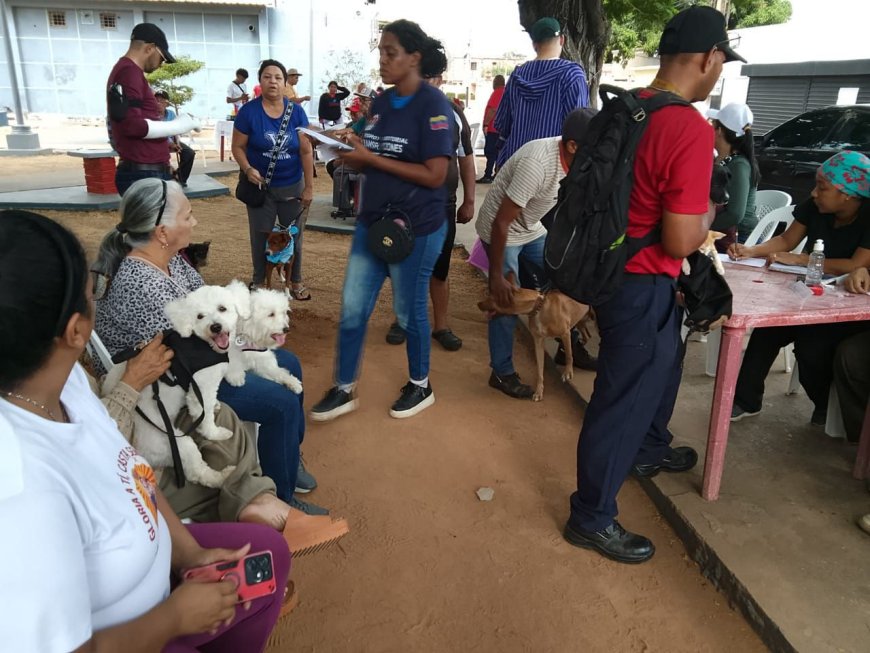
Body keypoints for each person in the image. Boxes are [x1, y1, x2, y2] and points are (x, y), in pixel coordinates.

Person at [0, 209, 290, 653]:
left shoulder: (64, 380)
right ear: (76, 331)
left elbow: (132, 472)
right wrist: (174, 618)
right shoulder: (20, 490)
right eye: (93, 294)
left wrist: (189, 554)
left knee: (270, 552)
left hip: (158, 562)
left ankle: (253, 503)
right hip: (139, 633)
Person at [563, 6, 744, 564]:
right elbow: (681, 239)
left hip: (612, 272)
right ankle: (591, 517)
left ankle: (647, 446)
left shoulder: (629, 106)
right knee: (621, 399)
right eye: (721, 62)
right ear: (709, 58)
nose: (719, 71)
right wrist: (708, 212)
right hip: (643, 284)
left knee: (658, 369)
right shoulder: (687, 126)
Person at [91, 178, 343, 535]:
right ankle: (281, 501)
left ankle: (285, 455)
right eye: (188, 216)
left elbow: (210, 313)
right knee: (281, 404)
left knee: (289, 363)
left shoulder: (170, 262)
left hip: (191, 364)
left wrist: (245, 326)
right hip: (172, 387)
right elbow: (189, 352)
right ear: (162, 232)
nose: (194, 222)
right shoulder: (140, 282)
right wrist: (243, 335)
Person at [309, 19, 454, 421]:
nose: (383, 60)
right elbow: (372, 150)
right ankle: (344, 388)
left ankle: (420, 384)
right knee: (353, 307)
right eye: (381, 53)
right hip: (372, 222)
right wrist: (346, 147)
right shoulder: (384, 102)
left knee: (408, 312)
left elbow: (436, 175)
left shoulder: (434, 106)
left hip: (416, 227)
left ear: (414, 58)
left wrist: (370, 158)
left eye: (391, 53)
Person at [85, 332, 297, 531]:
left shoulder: (73, 373)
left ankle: (262, 498)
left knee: (223, 416)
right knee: (281, 404)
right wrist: (130, 382)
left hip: (158, 388)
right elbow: (100, 444)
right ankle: (262, 501)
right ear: (76, 330)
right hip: (127, 474)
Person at [728, 150, 870, 425]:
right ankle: (746, 400)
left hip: (849, 305)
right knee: (767, 328)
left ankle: (826, 406)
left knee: (811, 347)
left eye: (822, 187)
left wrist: (804, 260)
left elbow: (856, 264)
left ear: (848, 195)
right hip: (811, 293)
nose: (814, 193)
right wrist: (751, 250)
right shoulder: (816, 206)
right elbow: (786, 240)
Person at [476, 109, 597, 398]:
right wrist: (496, 277)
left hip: (530, 227)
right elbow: (501, 222)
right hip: (502, 230)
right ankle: (502, 372)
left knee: (565, 277)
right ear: (572, 146)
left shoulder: (579, 163)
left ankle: (569, 345)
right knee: (507, 300)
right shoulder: (538, 165)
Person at [385, 63, 475, 352]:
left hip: (441, 205)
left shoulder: (453, 113)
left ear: (439, 79)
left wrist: (469, 200)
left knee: (440, 268)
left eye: (429, 76)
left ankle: (441, 326)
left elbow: (466, 159)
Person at [232, 60, 314, 299]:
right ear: (260, 81)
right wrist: (247, 168)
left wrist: (309, 187)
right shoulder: (248, 112)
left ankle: (295, 281)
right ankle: (259, 281)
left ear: (285, 82)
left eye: (278, 77)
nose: (273, 82)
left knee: (294, 236)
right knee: (260, 235)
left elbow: (306, 151)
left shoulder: (296, 112)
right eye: (267, 77)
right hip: (260, 187)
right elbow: (238, 147)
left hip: (293, 186)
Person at [106, 23, 199, 196]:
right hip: (144, 173)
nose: (161, 65)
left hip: (146, 170)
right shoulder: (129, 73)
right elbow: (132, 126)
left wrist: (163, 163)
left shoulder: (128, 72)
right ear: (149, 48)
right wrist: (179, 125)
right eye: (162, 58)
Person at [494, 17, 589, 168]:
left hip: (514, 163)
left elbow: (502, 124)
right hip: (551, 168)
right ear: (562, 40)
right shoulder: (572, 75)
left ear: (534, 44)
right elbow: (579, 128)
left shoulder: (517, 76)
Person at [708, 102, 759, 247]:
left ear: (719, 131)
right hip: (721, 230)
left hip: (739, 239)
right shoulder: (721, 159)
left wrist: (699, 225)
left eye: (712, 125)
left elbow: (735, 214)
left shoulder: (738, 165)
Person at [155, 90, 196, 187]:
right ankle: (164, 179)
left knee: (189, 153)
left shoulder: (171, 113)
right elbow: (160, 133)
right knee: (161, 156)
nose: (158, 103)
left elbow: (176, 130)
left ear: (167, 103)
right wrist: (171, 143)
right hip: (158, 141)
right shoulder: (152, 115)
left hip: (171, 140)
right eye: (156, 100)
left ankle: (180, 178)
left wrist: (177, 142)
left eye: (161, 101)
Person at [478, 74, 506, 184]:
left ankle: (488, 175)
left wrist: (486, 124)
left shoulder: (498, 92)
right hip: (501, 128)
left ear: (495, 83)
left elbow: (493, 109)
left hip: (494, 128)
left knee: (490, 152)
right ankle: (496, 173)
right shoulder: (506, 91)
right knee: (498, 152)